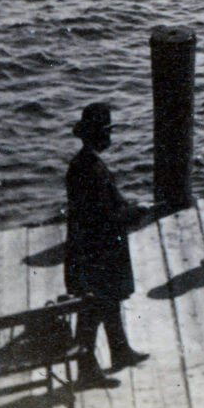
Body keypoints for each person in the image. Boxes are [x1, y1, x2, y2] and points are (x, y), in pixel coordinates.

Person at [63, 102, 148, 387]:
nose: (111, 137)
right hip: (96, 252)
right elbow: (104, 215)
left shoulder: (84, 164)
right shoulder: (91, 168)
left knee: (108, 304)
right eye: (108, 132)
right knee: (93, 310)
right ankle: (87, 372)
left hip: (89, 250)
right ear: (99, 135)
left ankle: (120, 351)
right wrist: (135, 212)